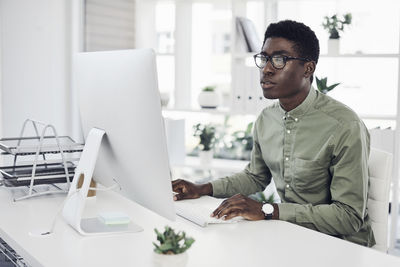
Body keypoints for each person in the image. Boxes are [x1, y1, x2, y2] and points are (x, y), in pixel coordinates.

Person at [172, 20, 375, 247]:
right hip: (291, 235)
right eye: (265, 58)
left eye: (279, 60)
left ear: (308, 69)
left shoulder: (344, 126)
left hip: (342, 246)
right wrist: (203, 188)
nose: (267, 69)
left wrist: (268, 210)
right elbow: (255, 177)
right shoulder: (267, 119)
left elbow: (348, 217)